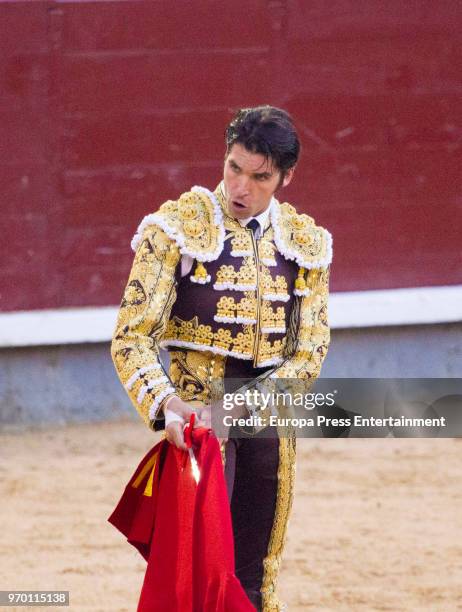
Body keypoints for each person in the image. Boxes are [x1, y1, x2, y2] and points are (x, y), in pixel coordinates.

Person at [111, 105, 332, 611]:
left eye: (260, 177)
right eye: (234, 167)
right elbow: (131, 337)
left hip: (267, 427)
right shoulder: (175, 229)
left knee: (256, 576)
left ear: (285, 178)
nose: (241, 188)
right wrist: (167, 403)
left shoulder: (307, 243)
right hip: (197, 428)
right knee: (194, 576)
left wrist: (240, 411)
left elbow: (308, 353)